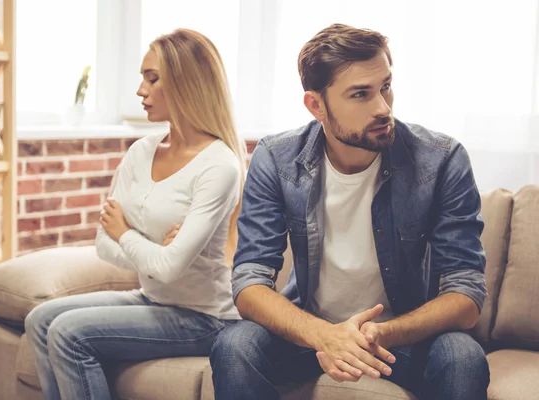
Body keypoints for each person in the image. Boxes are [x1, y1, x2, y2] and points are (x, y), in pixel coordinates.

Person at [210, 23, 489, 400]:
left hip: (397, 339)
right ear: (316, 105)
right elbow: (249, 283)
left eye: (385, 87)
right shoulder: (276, 159)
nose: (382, 108)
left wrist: (379, 333)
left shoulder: (441, 160)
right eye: (360, 94)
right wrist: (326, 335)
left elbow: (467, 295)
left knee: (463, 356)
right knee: (234, 347)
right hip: (310, 336)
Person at [24, 28, 246, 400]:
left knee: (68, 333)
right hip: (152, 298)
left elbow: (164, 264)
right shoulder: (141, 151)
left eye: (152, 78)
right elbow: (104, 245)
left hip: (204, 317)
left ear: (186, 84)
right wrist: (157, 247)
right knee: (39, 320)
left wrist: (127, 232)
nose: (140, 90)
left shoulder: (219, 165)